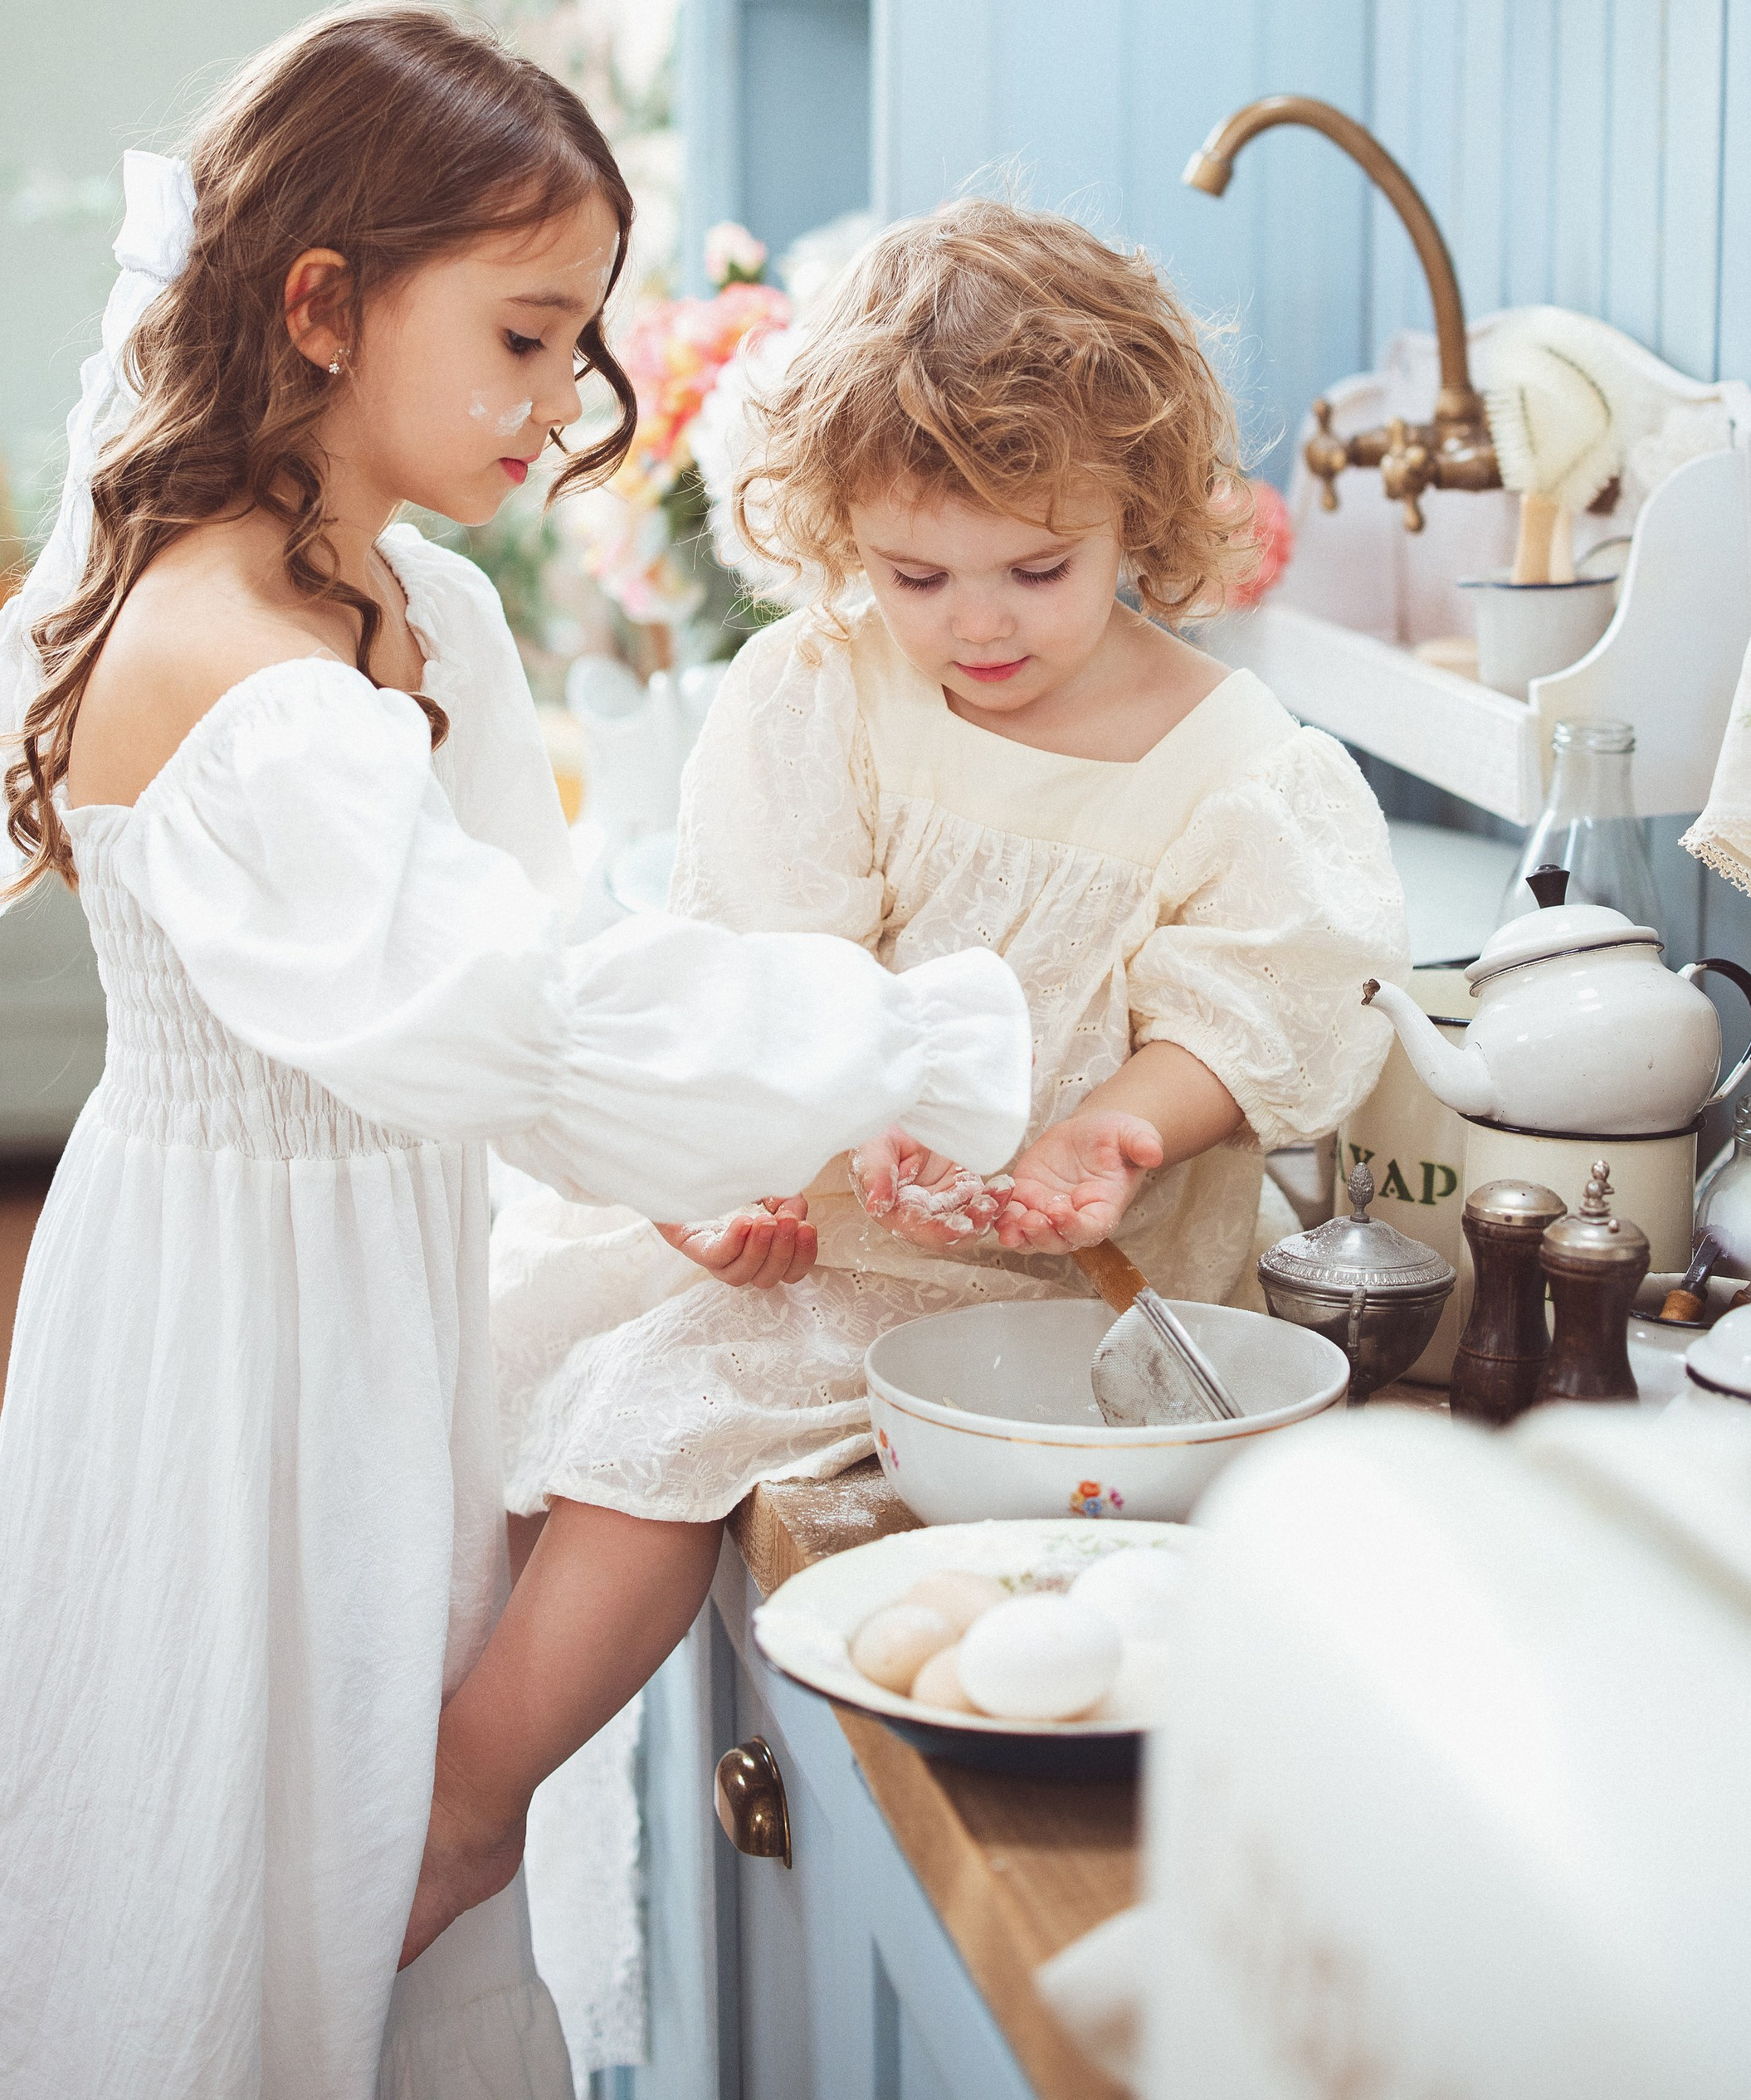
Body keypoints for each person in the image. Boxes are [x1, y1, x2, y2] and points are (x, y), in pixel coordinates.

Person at [0, 6, 1030, 2100]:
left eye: (580, 340)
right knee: (226, 1881)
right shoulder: (236, 662)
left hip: (380, 1298)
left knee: (369, 1883)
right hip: (234, 1336)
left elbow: (505, 982)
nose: (561, 401)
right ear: (323, 303)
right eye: (522, 335)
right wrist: (904, 1042)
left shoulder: (418, 607)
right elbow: (520, 1018)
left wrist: (653, 1166)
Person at [495, 197, 1410, 1535]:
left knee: (643, 1440)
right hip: (830, 1250)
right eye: (914, 575)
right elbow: (771, 957)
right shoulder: (828, 690)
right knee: (581, 1421)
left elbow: (1256, 1003)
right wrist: (814, 1132)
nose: (976, 622)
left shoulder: (1231, 764)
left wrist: (1125, 1125)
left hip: (1081, 1291)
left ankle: (476, 1755)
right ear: (840, 529)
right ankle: (469, 1757)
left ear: (1138, 512)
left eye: (1038, 568)